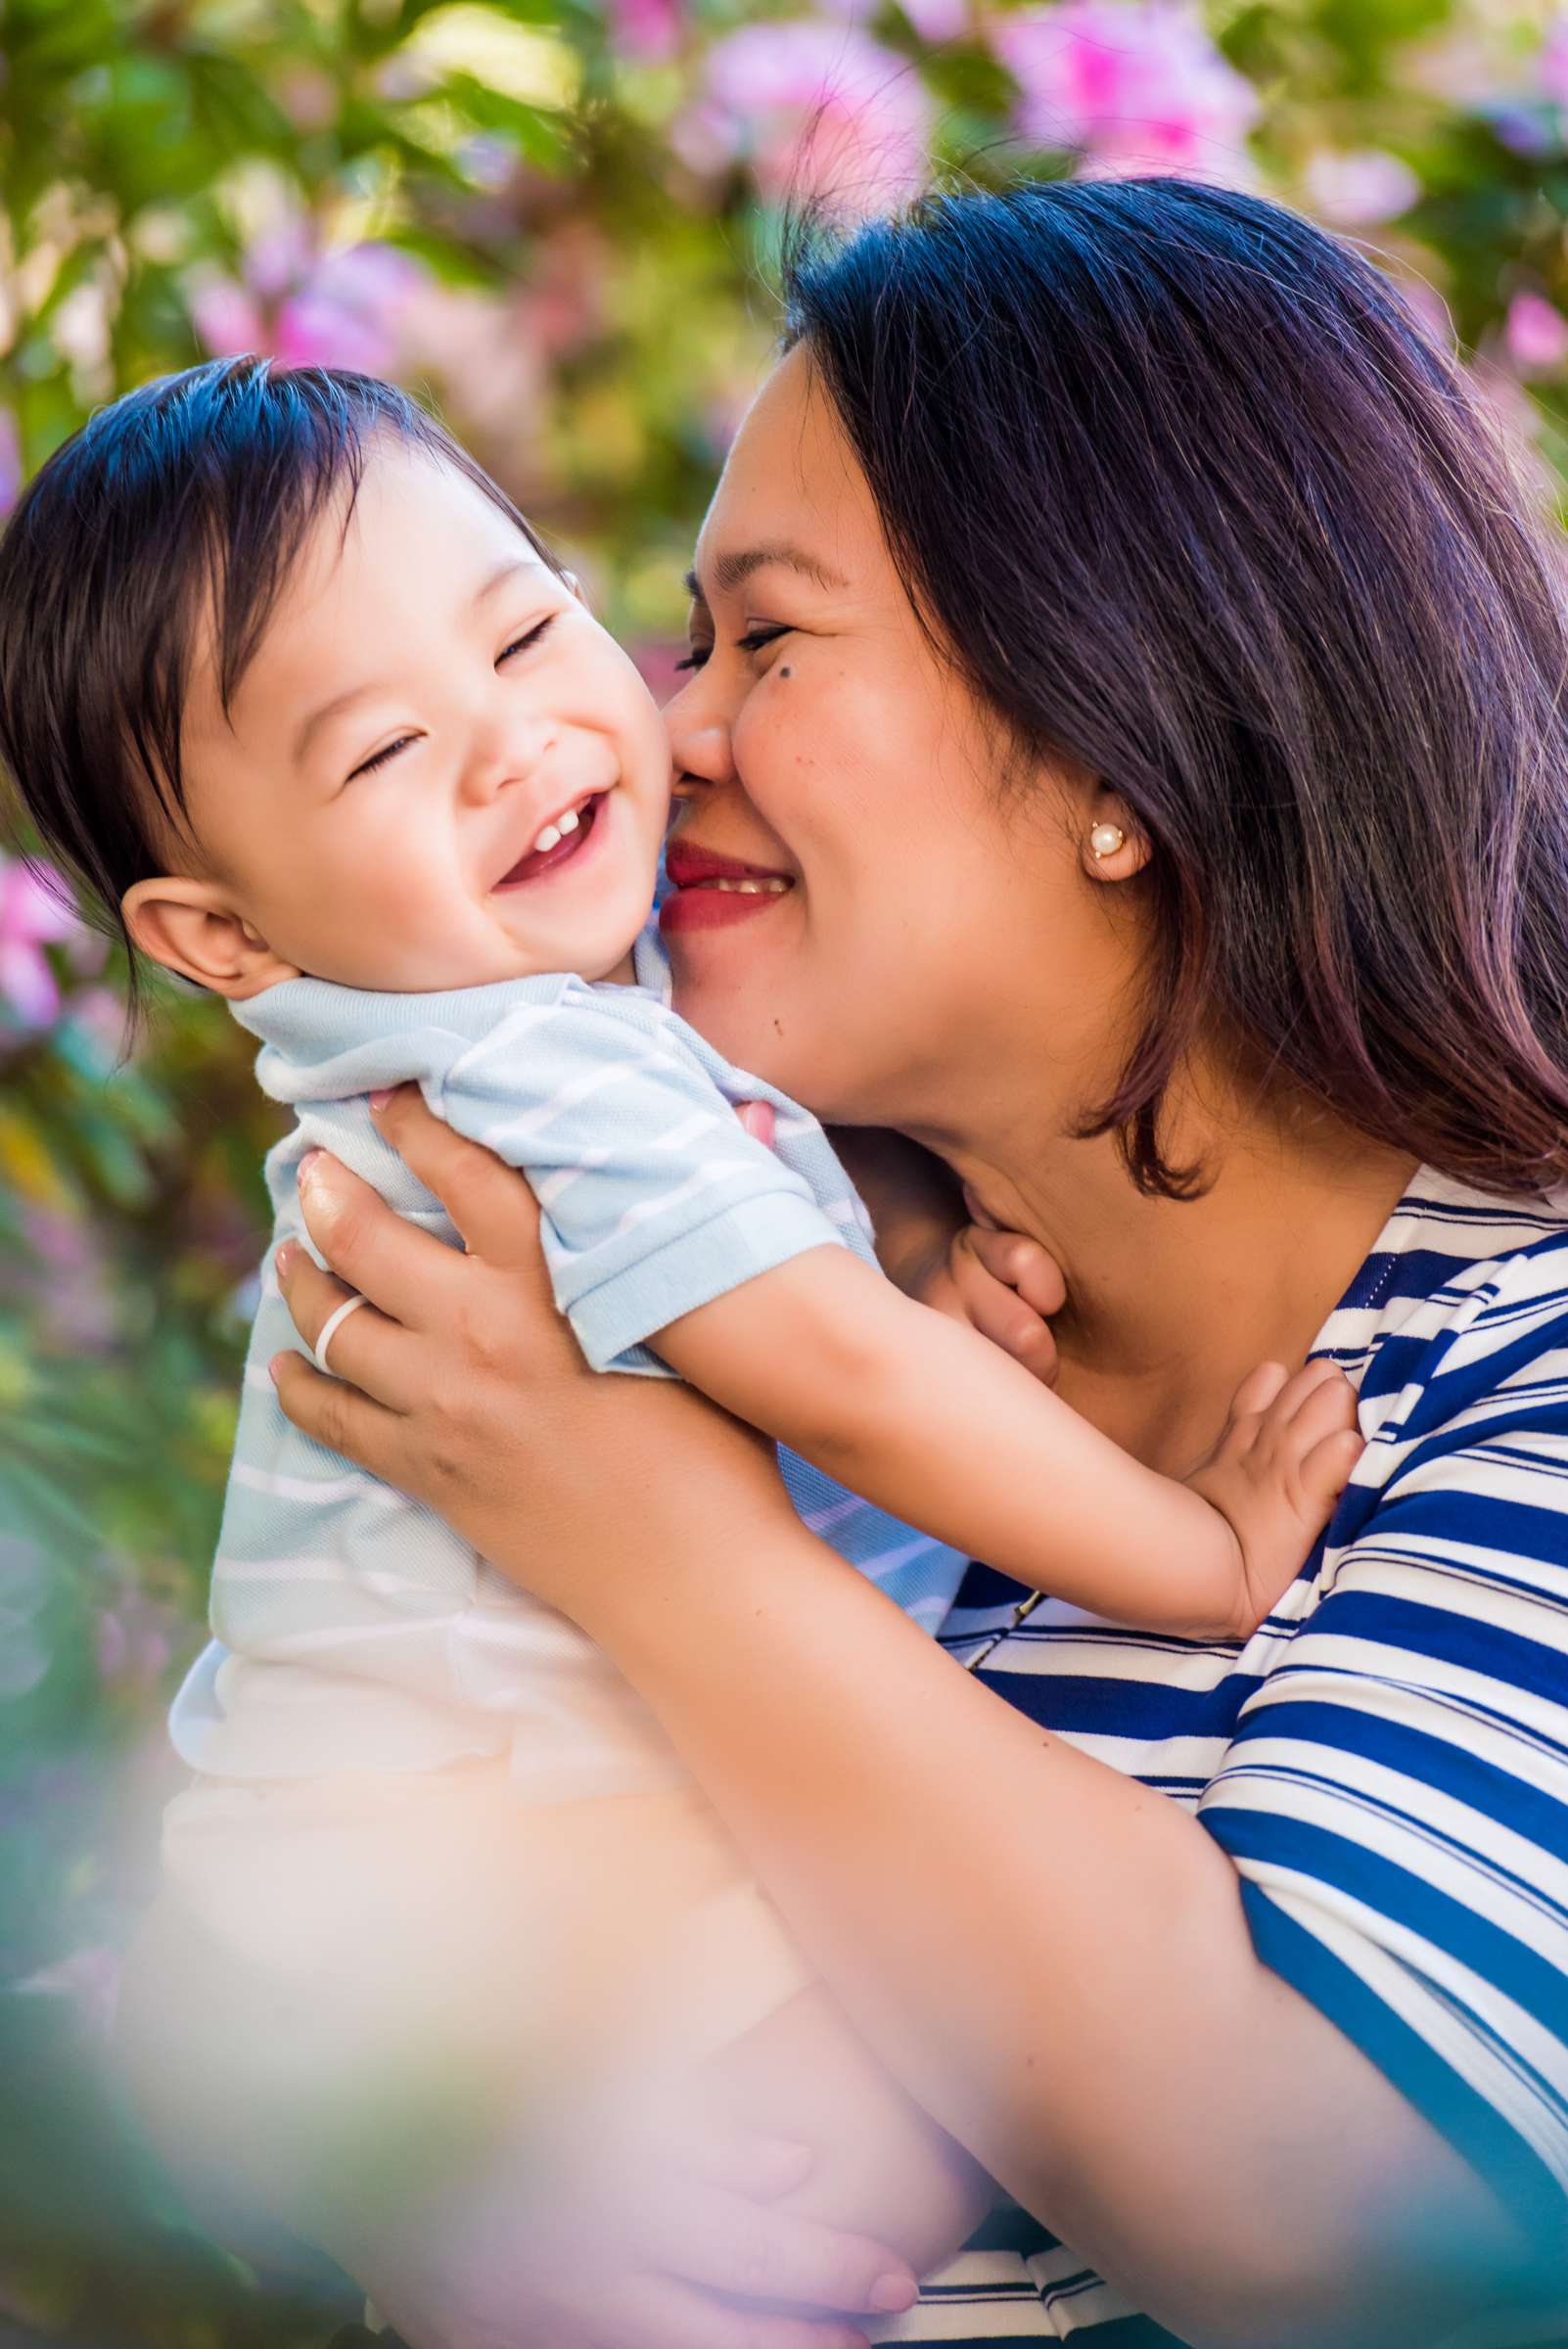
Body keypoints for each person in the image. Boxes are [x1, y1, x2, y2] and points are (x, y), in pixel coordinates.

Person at [237, 175, 1568, 2347]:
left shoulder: (1521, 1378)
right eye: (687, 638)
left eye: (772, 640)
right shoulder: (816, 1347)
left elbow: (1365, 2242)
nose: (669, 732)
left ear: (1124, 731)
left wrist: (653, 1539)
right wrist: (459, 2223)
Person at [0, 357, 1358, 2318]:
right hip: (507, 1894)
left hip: (393, 1905)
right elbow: (836, 1384)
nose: (517, 744)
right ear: (221, 939)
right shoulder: (546, 1072)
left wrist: (901, 1297)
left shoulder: (492, 1052)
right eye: (385, 752)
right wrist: (1203, 1553)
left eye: (530, 629)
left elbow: (756, 1366)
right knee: (930, 2125)